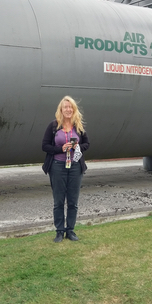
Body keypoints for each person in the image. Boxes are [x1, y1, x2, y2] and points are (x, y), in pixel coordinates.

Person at [42, 96, 90, 243]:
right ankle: (59, 231)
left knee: (73, 201)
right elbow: (44, 146)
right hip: (57, 167)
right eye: (65, 107)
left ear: (74, 109)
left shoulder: (78, 126)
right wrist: (60, 149)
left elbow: (87, 144)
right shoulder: (53, 126)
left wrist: (78, 147)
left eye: (70, 107)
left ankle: (70, 230)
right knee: (58, 201)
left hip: (75, 167)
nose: (68, 110)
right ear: (61, 110)